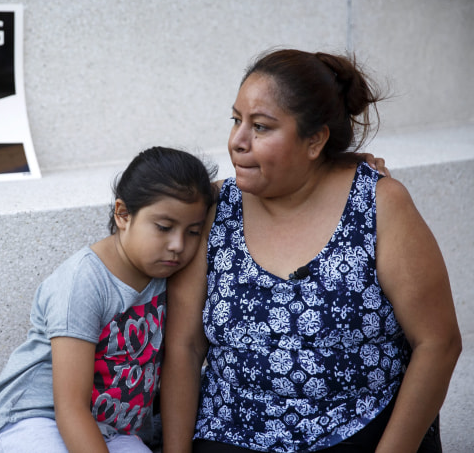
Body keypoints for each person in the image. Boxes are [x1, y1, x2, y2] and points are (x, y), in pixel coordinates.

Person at [161, 49, 461, 453]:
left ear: (315, 140)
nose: (238, 141)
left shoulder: (378, 204)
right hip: (233, 431)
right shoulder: (215, 210)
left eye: (261, 127)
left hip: (358, 427)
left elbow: (438, 343)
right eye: (236, 120)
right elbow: (185, 346)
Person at [0, 146, 218, 453]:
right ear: (123, 214)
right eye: (164, 227)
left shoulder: (170, 277)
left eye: (193, 232)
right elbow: (70, 408)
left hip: (116, 431)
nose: (178, 245)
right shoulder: (85, 281)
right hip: (37, 419)